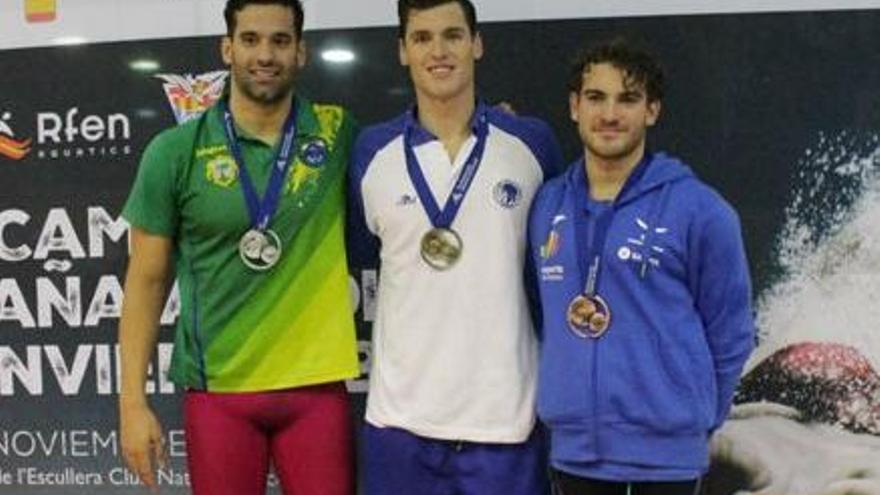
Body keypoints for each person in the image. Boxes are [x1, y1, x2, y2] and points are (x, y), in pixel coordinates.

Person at [117, 1, 360, 493]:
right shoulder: (175, 152)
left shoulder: (340, 135)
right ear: (227, 48)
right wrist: (132, 404)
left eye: (280, 40)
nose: (265, 54)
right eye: (250, 39)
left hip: (315, 390)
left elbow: (422, 138)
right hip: (220, 394)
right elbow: (144, 282)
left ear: (301, 51)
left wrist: (491, 122)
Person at [347, 0, 562, 493]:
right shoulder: (370, 152)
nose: (438, 51)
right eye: (422, 38)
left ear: (477, 43)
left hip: (505, 422)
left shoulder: (531, 143)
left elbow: (549, 267)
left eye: (453, 35)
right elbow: (363, 252)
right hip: (400, 424)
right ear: (402, 51)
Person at [528, 38, 755, 494]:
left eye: (628, 99)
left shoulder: (701, 210)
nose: (610, 114)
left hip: (668, 459)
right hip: (576, 454)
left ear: (651, 110)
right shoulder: (546, 203)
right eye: (596, 97)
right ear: (574, 106)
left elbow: (732, 334)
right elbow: (541, 312)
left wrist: (695, 418)